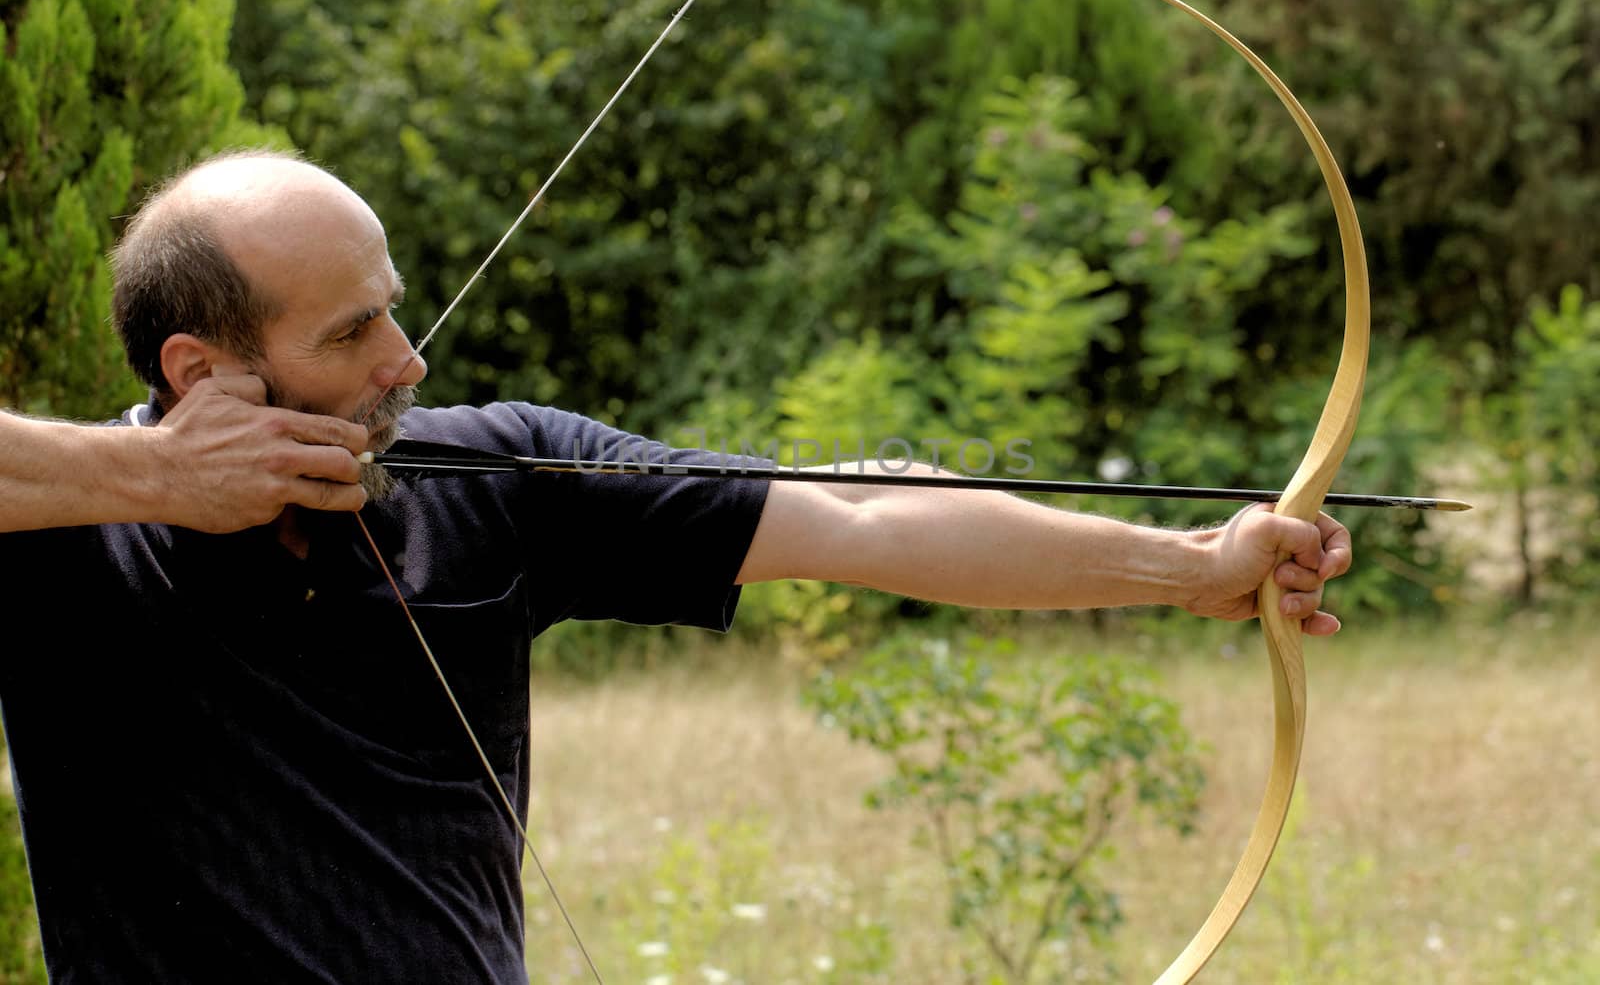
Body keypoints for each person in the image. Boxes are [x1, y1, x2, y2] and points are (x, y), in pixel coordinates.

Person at [0, 152, 1351, 983]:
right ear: (203, 372)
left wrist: (1191, 566)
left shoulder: (499, 481)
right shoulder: (59, 540)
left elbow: (857, 517)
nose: (408, 360)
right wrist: (159, 481)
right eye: (354, 334)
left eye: (397, 305)